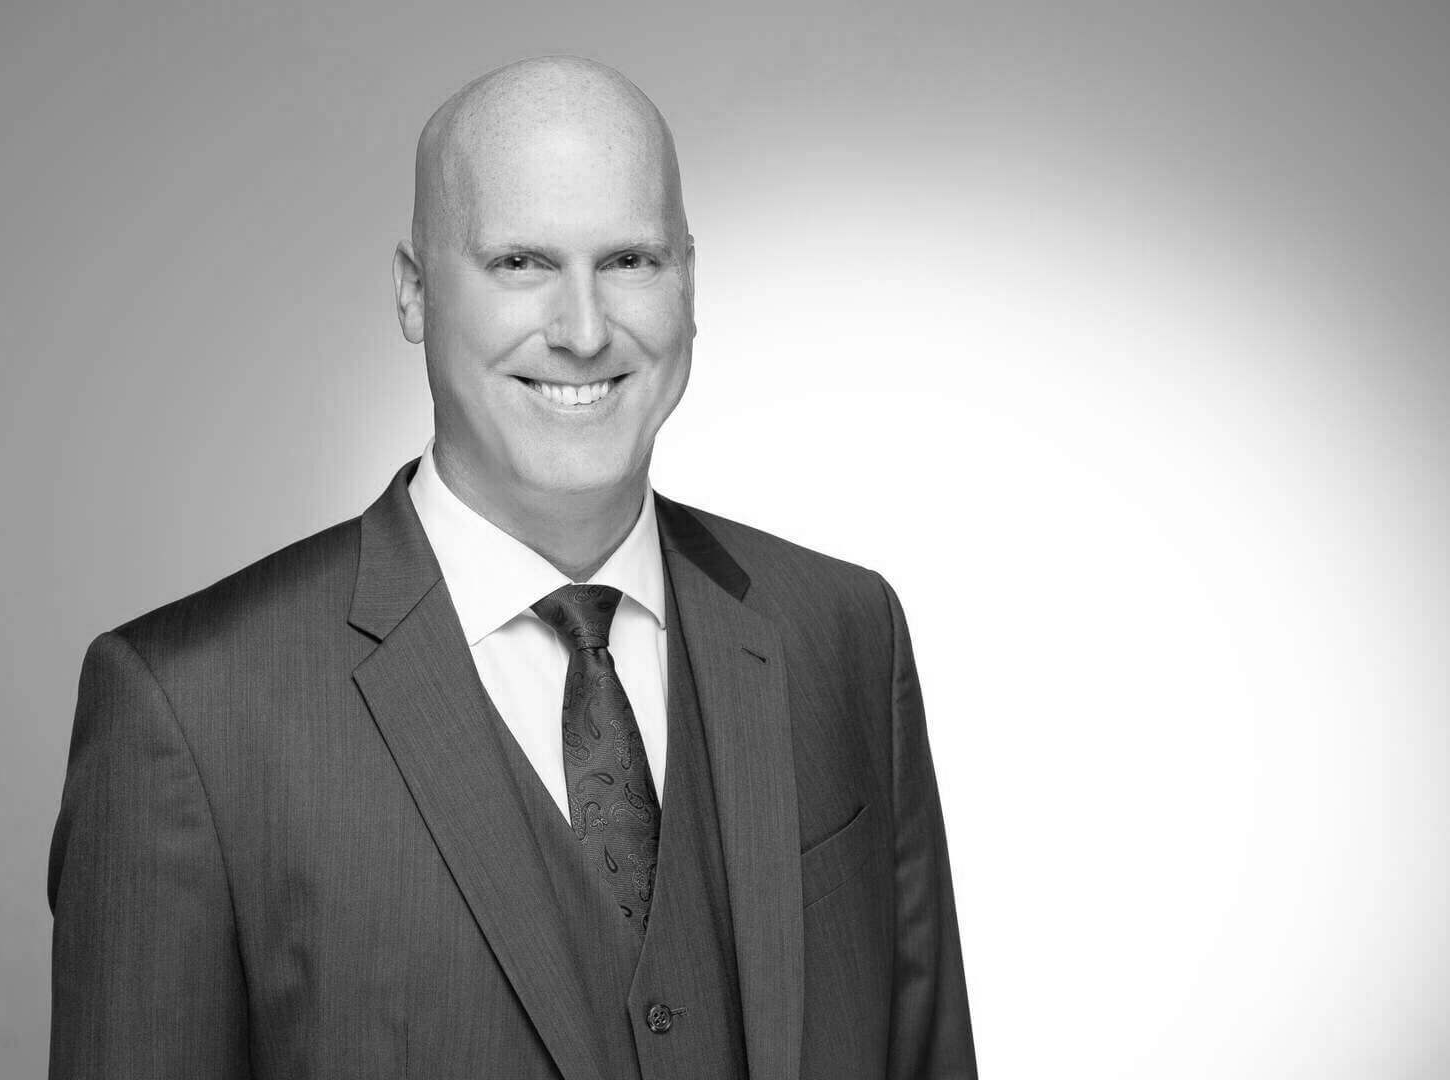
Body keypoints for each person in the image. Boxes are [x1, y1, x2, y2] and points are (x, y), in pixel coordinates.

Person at [47, 55, 978, 1079]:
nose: (583, 330)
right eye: (522, 263)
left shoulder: (842, 632)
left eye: (630, 260)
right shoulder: (191, 713)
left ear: (689, 282)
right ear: (413, 293)